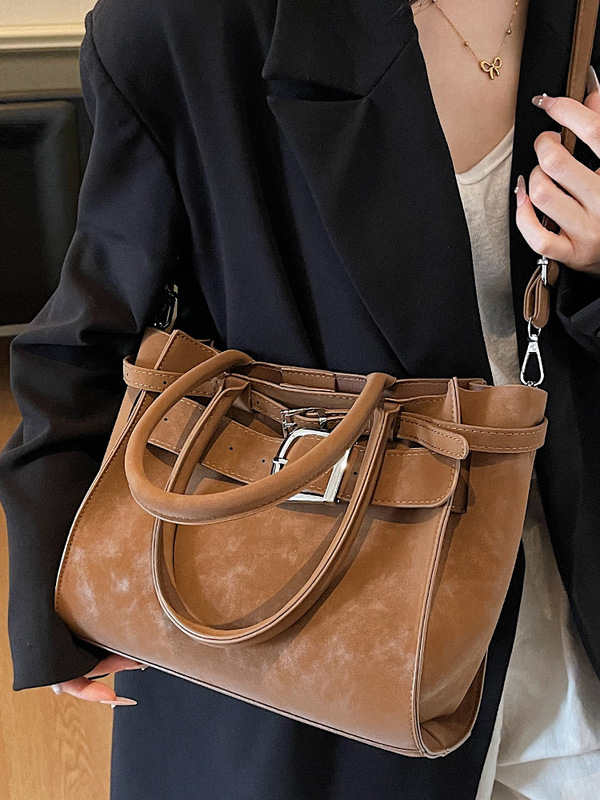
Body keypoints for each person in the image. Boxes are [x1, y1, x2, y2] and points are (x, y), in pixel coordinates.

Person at [1, 0, 600, 797]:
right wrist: (60, 593)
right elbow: (94, 327)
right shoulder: (184, 27)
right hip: (316, 614)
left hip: (570, 598)